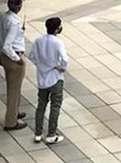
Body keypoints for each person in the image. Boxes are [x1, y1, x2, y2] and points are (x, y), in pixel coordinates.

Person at [28, 17, 68, 145]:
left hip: (42, 79)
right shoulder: (57, 42)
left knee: (41, 106)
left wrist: (40, 65)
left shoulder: (38, 40)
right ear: (57, 29)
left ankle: (38, 133)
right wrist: (61, 67)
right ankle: (51, 133)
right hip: (55, 78)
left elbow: (31, 56)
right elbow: (65, 59)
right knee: (55, 107)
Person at [0, 0, 27, 131]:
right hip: (13, 56)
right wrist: (17, 59)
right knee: (13, 90)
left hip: (5, 57)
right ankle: (11, 122)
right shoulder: (14, 23)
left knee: (14, 86)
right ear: (18, 6)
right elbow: (7, 45)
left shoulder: (2, 15)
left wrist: (0, 52)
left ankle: (15, 112)